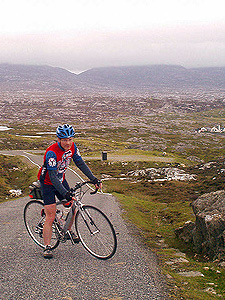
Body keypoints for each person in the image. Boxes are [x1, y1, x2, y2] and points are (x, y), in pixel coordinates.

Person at [38, 124, 101, 259]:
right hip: (48, 183)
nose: (68, 142)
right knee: (51, 215)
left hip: (61, 179)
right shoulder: (52, 152)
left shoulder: (73, 147)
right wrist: (65, 193)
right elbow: (53, 177)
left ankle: (67, 230)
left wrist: (94, 179)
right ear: (58, 139)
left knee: (72, 206)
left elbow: (80, 163)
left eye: (70, 139)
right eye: (64, 139)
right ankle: (47, 247)